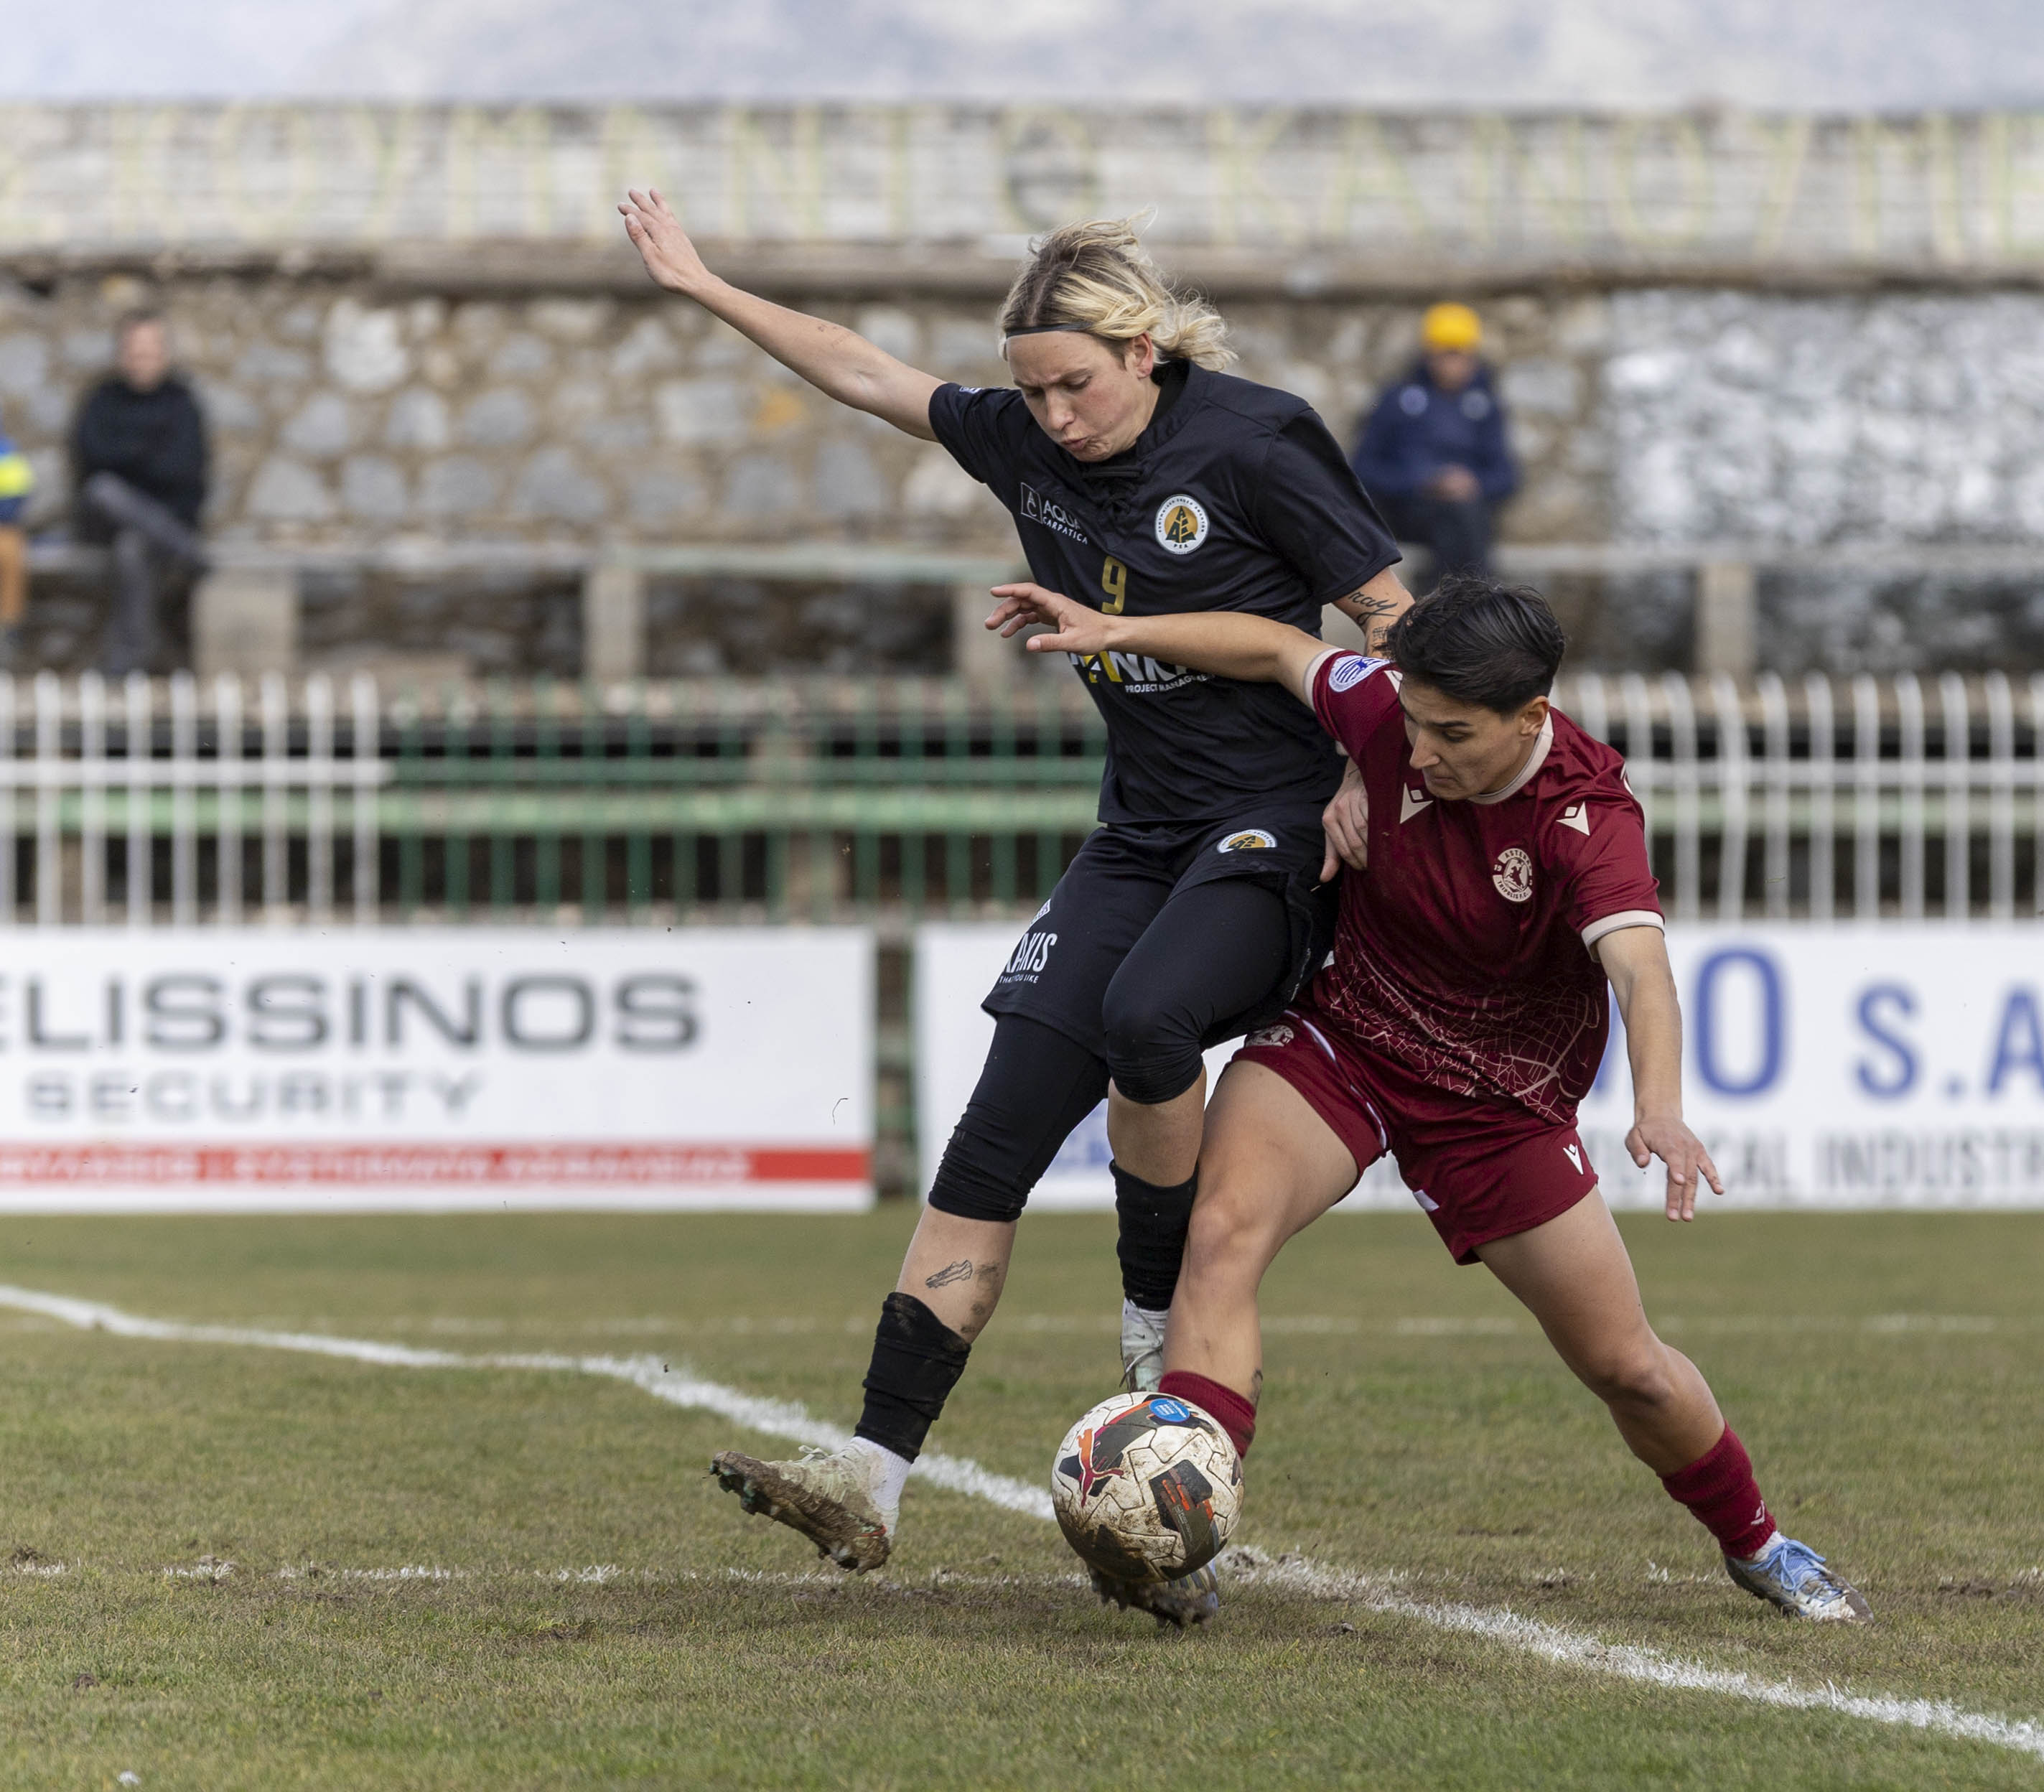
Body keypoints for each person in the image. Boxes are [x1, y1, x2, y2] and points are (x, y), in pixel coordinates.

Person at [617, 191, 1411, 1625]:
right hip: (1140, 833)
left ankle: (1153, 1354)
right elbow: (862, 368)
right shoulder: (1027, 438)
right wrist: (705, 285)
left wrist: (1371, 768)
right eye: (1031, 391)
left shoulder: (1254, 440)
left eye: (1076, 386)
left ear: (1145, 350)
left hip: (1275, 828)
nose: (1051, 417)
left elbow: (1392, 616)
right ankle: (869, 1478)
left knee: (1148, 1017)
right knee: (994, 1131)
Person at [988, 575, 1869, 1624]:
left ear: (1530, 718)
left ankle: (1760, 1544)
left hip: (1496, 1103)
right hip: (1346, 1040)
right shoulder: (1387, 718)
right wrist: (1120, 630)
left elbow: (1642, 972)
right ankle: (1178, 1529)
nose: (1421, 752)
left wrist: (1662, 1107)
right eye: (1412, 723)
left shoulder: (1587, 815)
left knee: (1628, 1367)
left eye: (1452, 734)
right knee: (1218, 1235)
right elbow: (1276, 648)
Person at [73, 311, 208, 676]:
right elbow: (91, 458)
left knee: (132, 547)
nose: (141, 357)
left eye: (149, 349)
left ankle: (129, 660)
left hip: (163, 518)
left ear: (164, 353)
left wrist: (128, 456)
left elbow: (184, 469)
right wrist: (148, 453)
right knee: (105, 491)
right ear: (121, 353)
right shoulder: (102, 399)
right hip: (108, 520)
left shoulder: (182, 402)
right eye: (134, 349)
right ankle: (186, 551)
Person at [1350, 302, 1517, 592]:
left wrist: (1471, 483)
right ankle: (1472, 601)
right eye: (1446, 353)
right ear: (1429, 354)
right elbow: (1364, 468)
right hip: (1409, 512)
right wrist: (1424, 483)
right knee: (1458, 522)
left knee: (1462, 518)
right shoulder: (1398, 399)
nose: (1453, 364)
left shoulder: (1485, 404)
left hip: (1469, 514)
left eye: (1460, 354)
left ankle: (1453, 602)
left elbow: (1506, 475)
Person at [0, 415, 28, 658]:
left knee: (10, 549)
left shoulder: (7, 454)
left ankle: (8, 630)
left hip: (3, 527)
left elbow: (13, 502)